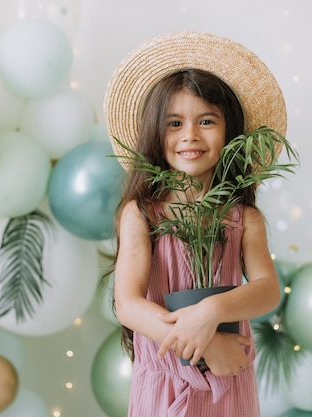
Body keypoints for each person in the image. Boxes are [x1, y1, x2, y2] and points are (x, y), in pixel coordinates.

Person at [103, 32, 292, 416]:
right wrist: (206, 344)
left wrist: (210, 313)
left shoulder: (242, 217)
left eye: (206, 121)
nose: (190, 135)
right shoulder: (141, 213)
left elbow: (267, 290)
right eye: (174, 123)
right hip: (165, 378)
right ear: (156, 132)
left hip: (230, 383)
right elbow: (128, 305)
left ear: (230, 132)